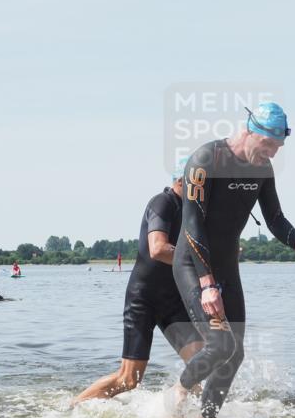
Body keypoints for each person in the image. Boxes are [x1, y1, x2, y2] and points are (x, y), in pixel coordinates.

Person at [170, 102, 295, 418]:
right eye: (267, 144)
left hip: (226, 265)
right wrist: (207, 283)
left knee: (235, 353)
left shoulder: (262, 169)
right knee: (222, 343)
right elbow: (193, 223)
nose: (271, 153)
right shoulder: (206, 160)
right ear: (249, 131)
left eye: (278, 147)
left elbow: (275, 218)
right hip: (193, 265)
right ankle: (178, 392)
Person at [73, 160, 203, 404]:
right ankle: (73, 406)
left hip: (173, 301)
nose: (204, 191)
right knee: (129, 380)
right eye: (200, 183)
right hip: (143, 299)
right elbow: (158, 249)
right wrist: (202, 257)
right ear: (182, 180)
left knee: (199, 363)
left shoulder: (192, 211)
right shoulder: (162, 203)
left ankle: (182, 415)